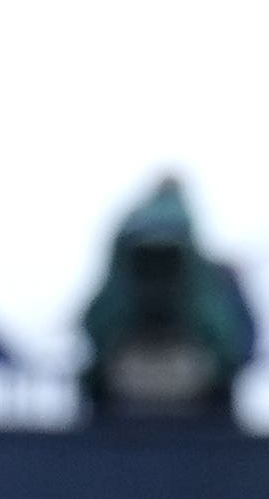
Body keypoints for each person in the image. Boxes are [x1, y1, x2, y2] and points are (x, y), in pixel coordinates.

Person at [77, 179, 250, 430]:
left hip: (128, 388)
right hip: (189, 392)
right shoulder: (205, 274)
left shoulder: (129, 247)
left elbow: (95, 323)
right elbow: (228, 339)